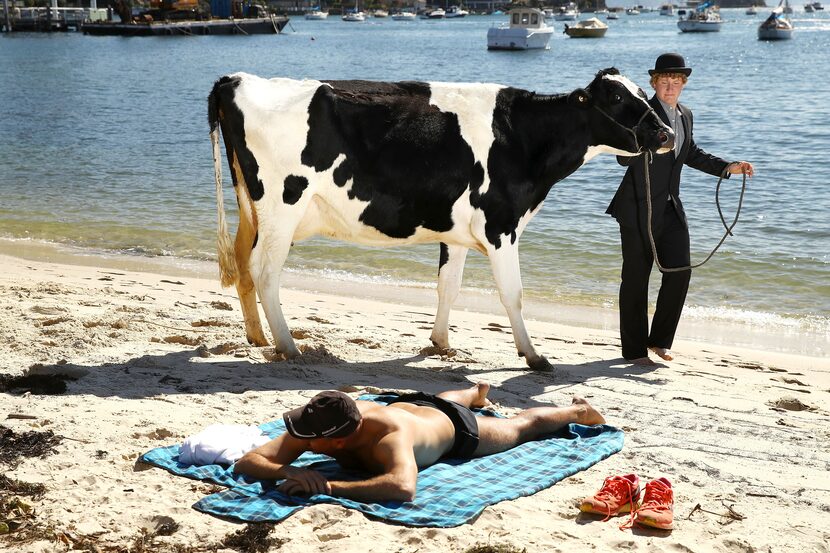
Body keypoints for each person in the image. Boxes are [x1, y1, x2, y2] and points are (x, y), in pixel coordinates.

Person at [605, 53, 754, 366]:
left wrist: (729, 167)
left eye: (675, 81)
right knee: (636, 278)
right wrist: (646, 142)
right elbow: (622, 157)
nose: (669, 86)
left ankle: (659, 341)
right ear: (654, 83)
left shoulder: (685, 114)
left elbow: (692, 153)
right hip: (636, 207)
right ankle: (634, 351)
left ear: (683, 84)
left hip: (671, 206)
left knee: (680, 271)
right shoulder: (642, 114)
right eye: (663, 80)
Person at [233, 384, 605, 503]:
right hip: (411, 406)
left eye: (311, 442)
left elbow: (403, 487)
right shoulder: (320, 426)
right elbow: (248, 461)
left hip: (453, 429)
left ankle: (577, 410)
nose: (303, 442)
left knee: (521, 426)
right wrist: (289, 468)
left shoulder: (389, 440)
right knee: (438, 398)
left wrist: (327, 486)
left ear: (339, 442)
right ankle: (476, 390)